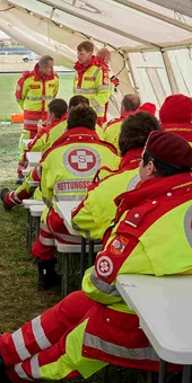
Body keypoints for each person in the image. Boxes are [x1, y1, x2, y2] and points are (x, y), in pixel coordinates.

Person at [0, 131, 192, 383]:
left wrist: (91, 279)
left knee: (79, 337)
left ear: (150, 166)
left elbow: (100, 284)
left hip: (157, 324)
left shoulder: (147, 216)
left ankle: (13, 374)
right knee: (76, 304)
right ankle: (6, 349)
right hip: (188, 309)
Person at [29, 105, 121, 290]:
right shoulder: (111, 154)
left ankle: (46, 272)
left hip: (63, 229)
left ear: (68, 125)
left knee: (48, 212)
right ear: (95, 126)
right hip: (102, 232)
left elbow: (46, 197)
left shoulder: (53, 154)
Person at [72, 111, 162, 241]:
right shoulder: (181, 189)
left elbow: (78, 220)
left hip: (119, 256)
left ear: (121, 141)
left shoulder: (103, 188)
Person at [15, 55, 60, 181]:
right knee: (26, 145)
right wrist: (28, 110)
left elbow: (54, 94)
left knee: (46, 144)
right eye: (50, 67)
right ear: (42, 67)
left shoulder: (55, 78)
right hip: (31, 119)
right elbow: (19, 97)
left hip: (47, 119)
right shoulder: (27, 79)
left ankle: (42, 173)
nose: (52, 70)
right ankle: (21, 173)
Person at [73, 41, 111, 119]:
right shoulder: (78, 71)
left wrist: (87, 106)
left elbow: (104, 95)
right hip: (79, 114)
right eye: (78, 53)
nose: (78, 56)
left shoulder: (100, 70)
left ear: (90, 54)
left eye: (81, 54)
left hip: (94, 115)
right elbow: (76, 93)